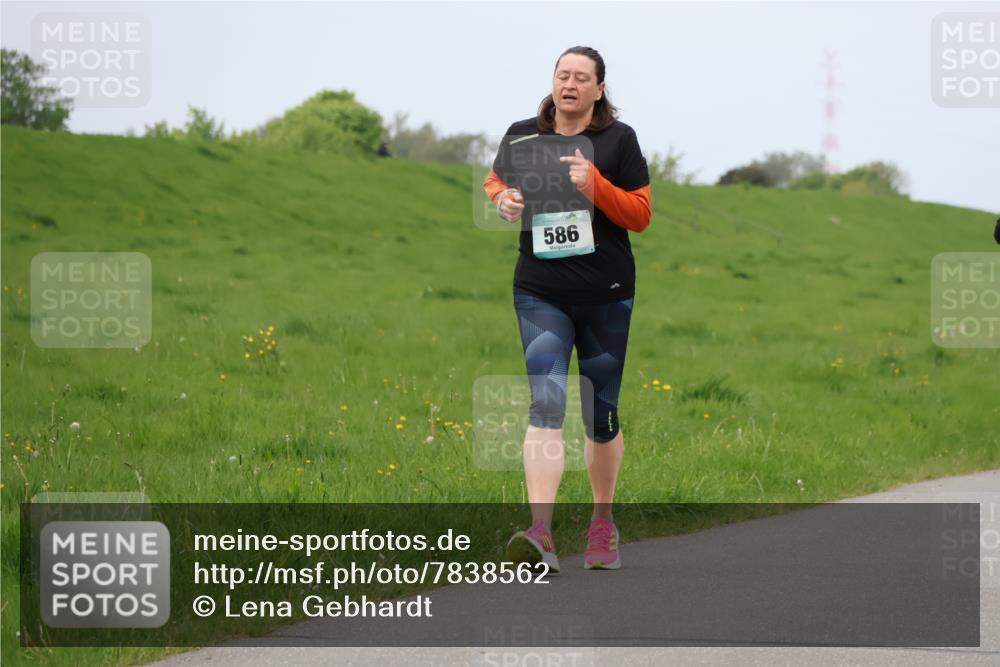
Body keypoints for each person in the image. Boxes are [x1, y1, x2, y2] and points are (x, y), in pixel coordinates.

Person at [482, 46, 652, 572]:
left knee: (600, 414)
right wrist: (503, 200)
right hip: (541, 290)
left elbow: (641, 215)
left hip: (606, 292)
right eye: (563, 75)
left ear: (600, 89)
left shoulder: (618, 141)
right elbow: (496, 182)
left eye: (582, 77)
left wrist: (594, 185)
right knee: (546, 404)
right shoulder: (523, 134)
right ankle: (540, 533)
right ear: (553, 82)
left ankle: (602, 523)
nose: (570, 84)